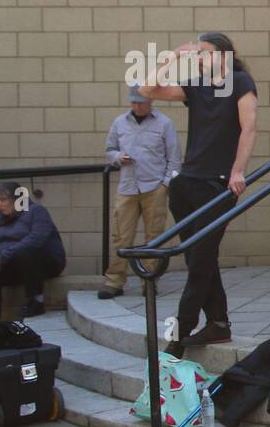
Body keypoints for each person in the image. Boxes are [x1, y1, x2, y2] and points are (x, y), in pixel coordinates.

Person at [138, 32, 257, 359]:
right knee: (197, 258)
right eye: (198, 53)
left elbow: (249, 128)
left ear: (224, 55)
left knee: (201, 260)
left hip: (217, 185)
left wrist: (238, 171)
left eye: (205, 52)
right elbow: (147, 89)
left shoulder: (241, 81)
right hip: (187, 184)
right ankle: (218, 323)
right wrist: (172, 57)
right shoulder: (196, 85)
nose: (199, 58)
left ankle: (180, 334)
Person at [99, 83, 182, 299]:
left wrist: (165, 185)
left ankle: (150, 280)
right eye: (134, 102)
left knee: (153, 236)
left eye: (141, 102)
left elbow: (174, 159)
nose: (137, 106)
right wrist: (117, 158)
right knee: (120, 236)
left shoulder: (164, 124)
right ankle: (114, 281)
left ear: (151, 101)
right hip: (127, 187)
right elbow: (109, 150)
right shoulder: (119, 122)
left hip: (154, 187)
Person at [0, 184, 67, 324]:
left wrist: (3, 257)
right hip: (16, 264)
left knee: (24, 251)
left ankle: (37, 301)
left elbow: (36, 240)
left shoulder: (36, 211)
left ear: (17, 200)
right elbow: (0, 244)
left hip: (45, 262)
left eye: (3, 200)